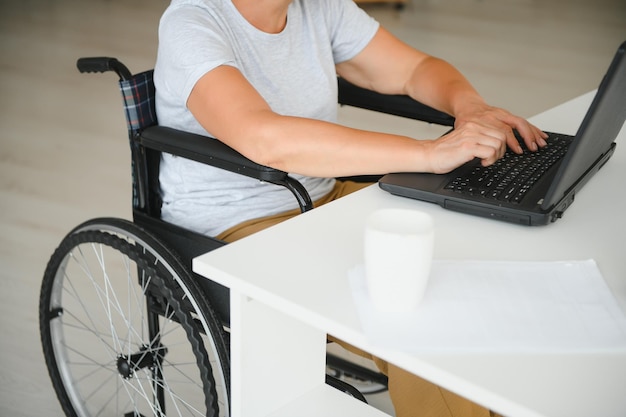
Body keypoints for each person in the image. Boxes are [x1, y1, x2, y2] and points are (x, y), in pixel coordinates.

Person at [154, 0, 545, 415]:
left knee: (464, 274)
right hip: (235, 227)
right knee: (411, 320)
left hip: (321, 196)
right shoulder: (192, 23)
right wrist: (429, 154)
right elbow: (264, 140)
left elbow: (414, 70)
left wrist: (471, 107)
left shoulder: (320, 8)